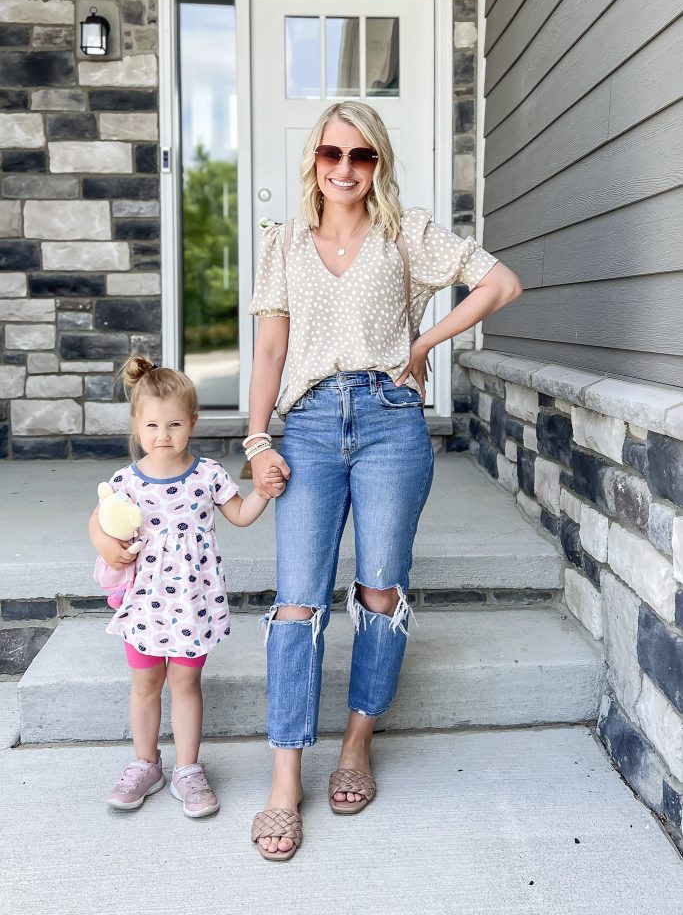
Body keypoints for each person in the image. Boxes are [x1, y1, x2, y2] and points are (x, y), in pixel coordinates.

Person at [246, 101, 523, 860]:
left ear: (378, 165)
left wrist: (422, 341)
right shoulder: (282, 243)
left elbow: (501, 282)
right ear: (312, 160)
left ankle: (357, 743)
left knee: (378, 588)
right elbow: (269, 352)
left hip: (389, 423)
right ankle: (282, 779)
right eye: (331, 153)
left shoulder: (407, 233)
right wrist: (255, 437)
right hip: (305, 425)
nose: (343, 168)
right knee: (296, 601)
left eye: (360, 156)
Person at [88, 356, 284, 817]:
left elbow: (238, 516)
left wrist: (263, 492)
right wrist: (106, 544)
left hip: (193, 602)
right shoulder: (126, 481)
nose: (163, 435)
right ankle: (146, 763)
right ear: (137, 424)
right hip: (144, 603)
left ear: (192, 422)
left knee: (185, 682)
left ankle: (188, 769)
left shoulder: (207, 474)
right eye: (152, 425)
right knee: (145, 683)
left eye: (174, 424)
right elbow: (98, 521)